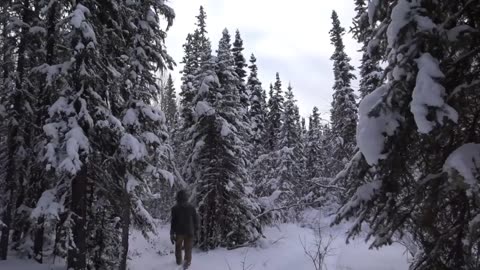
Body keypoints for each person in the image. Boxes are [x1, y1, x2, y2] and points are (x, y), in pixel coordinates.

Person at [170, 190, 199, 269]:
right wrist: (196, 231)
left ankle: (179, 262)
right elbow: (196, 220)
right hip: (189, 232)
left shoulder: (175, 208)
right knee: (188, 248)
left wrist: (172, 233)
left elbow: (173, 222)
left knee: (178, 247)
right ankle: (186, 263)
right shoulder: (191, 207)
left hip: (180, 232)